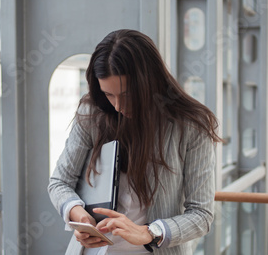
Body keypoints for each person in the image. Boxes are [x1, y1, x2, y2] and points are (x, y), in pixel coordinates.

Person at [48, 29, 223, 255]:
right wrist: (78, 215)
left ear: (150, 81)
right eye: (109, 95)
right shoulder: (93, 113)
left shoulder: (191, 126)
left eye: (127, 94)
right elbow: (59, 182)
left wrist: (150, 232)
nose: (118, 106)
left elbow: (202, 214)